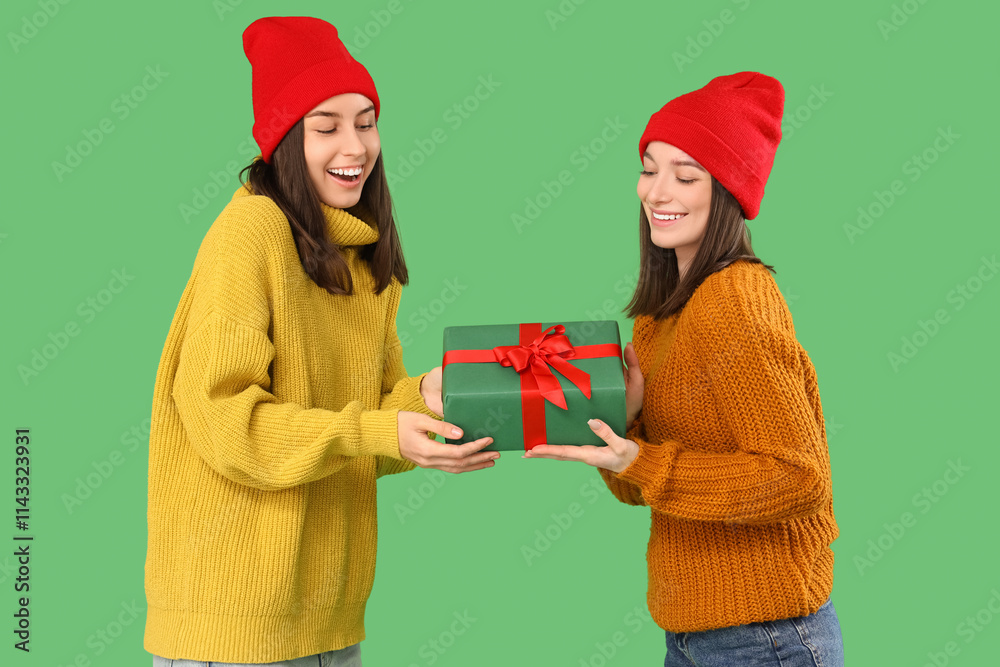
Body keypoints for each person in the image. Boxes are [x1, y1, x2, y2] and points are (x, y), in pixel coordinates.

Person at [144, 16, 498, 667]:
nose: (355, 145)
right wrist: (380, 430)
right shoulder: (251, 231)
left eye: (365, 121)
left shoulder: (364, 256)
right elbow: (225, 420)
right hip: (235, 623)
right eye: (325, 126)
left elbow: (366, 422)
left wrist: (426, 401)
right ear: (283, 140)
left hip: (328, 619)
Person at [525, 72, 844, 666]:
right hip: (695, 635)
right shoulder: (661, 314)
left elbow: (799, 477)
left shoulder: (734, 301)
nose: (657, 191)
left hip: (765, 637)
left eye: (686, 175)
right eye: (649, 168)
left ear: (728, 191)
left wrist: (638, 457)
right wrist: (623, 427)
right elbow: (638, 489)